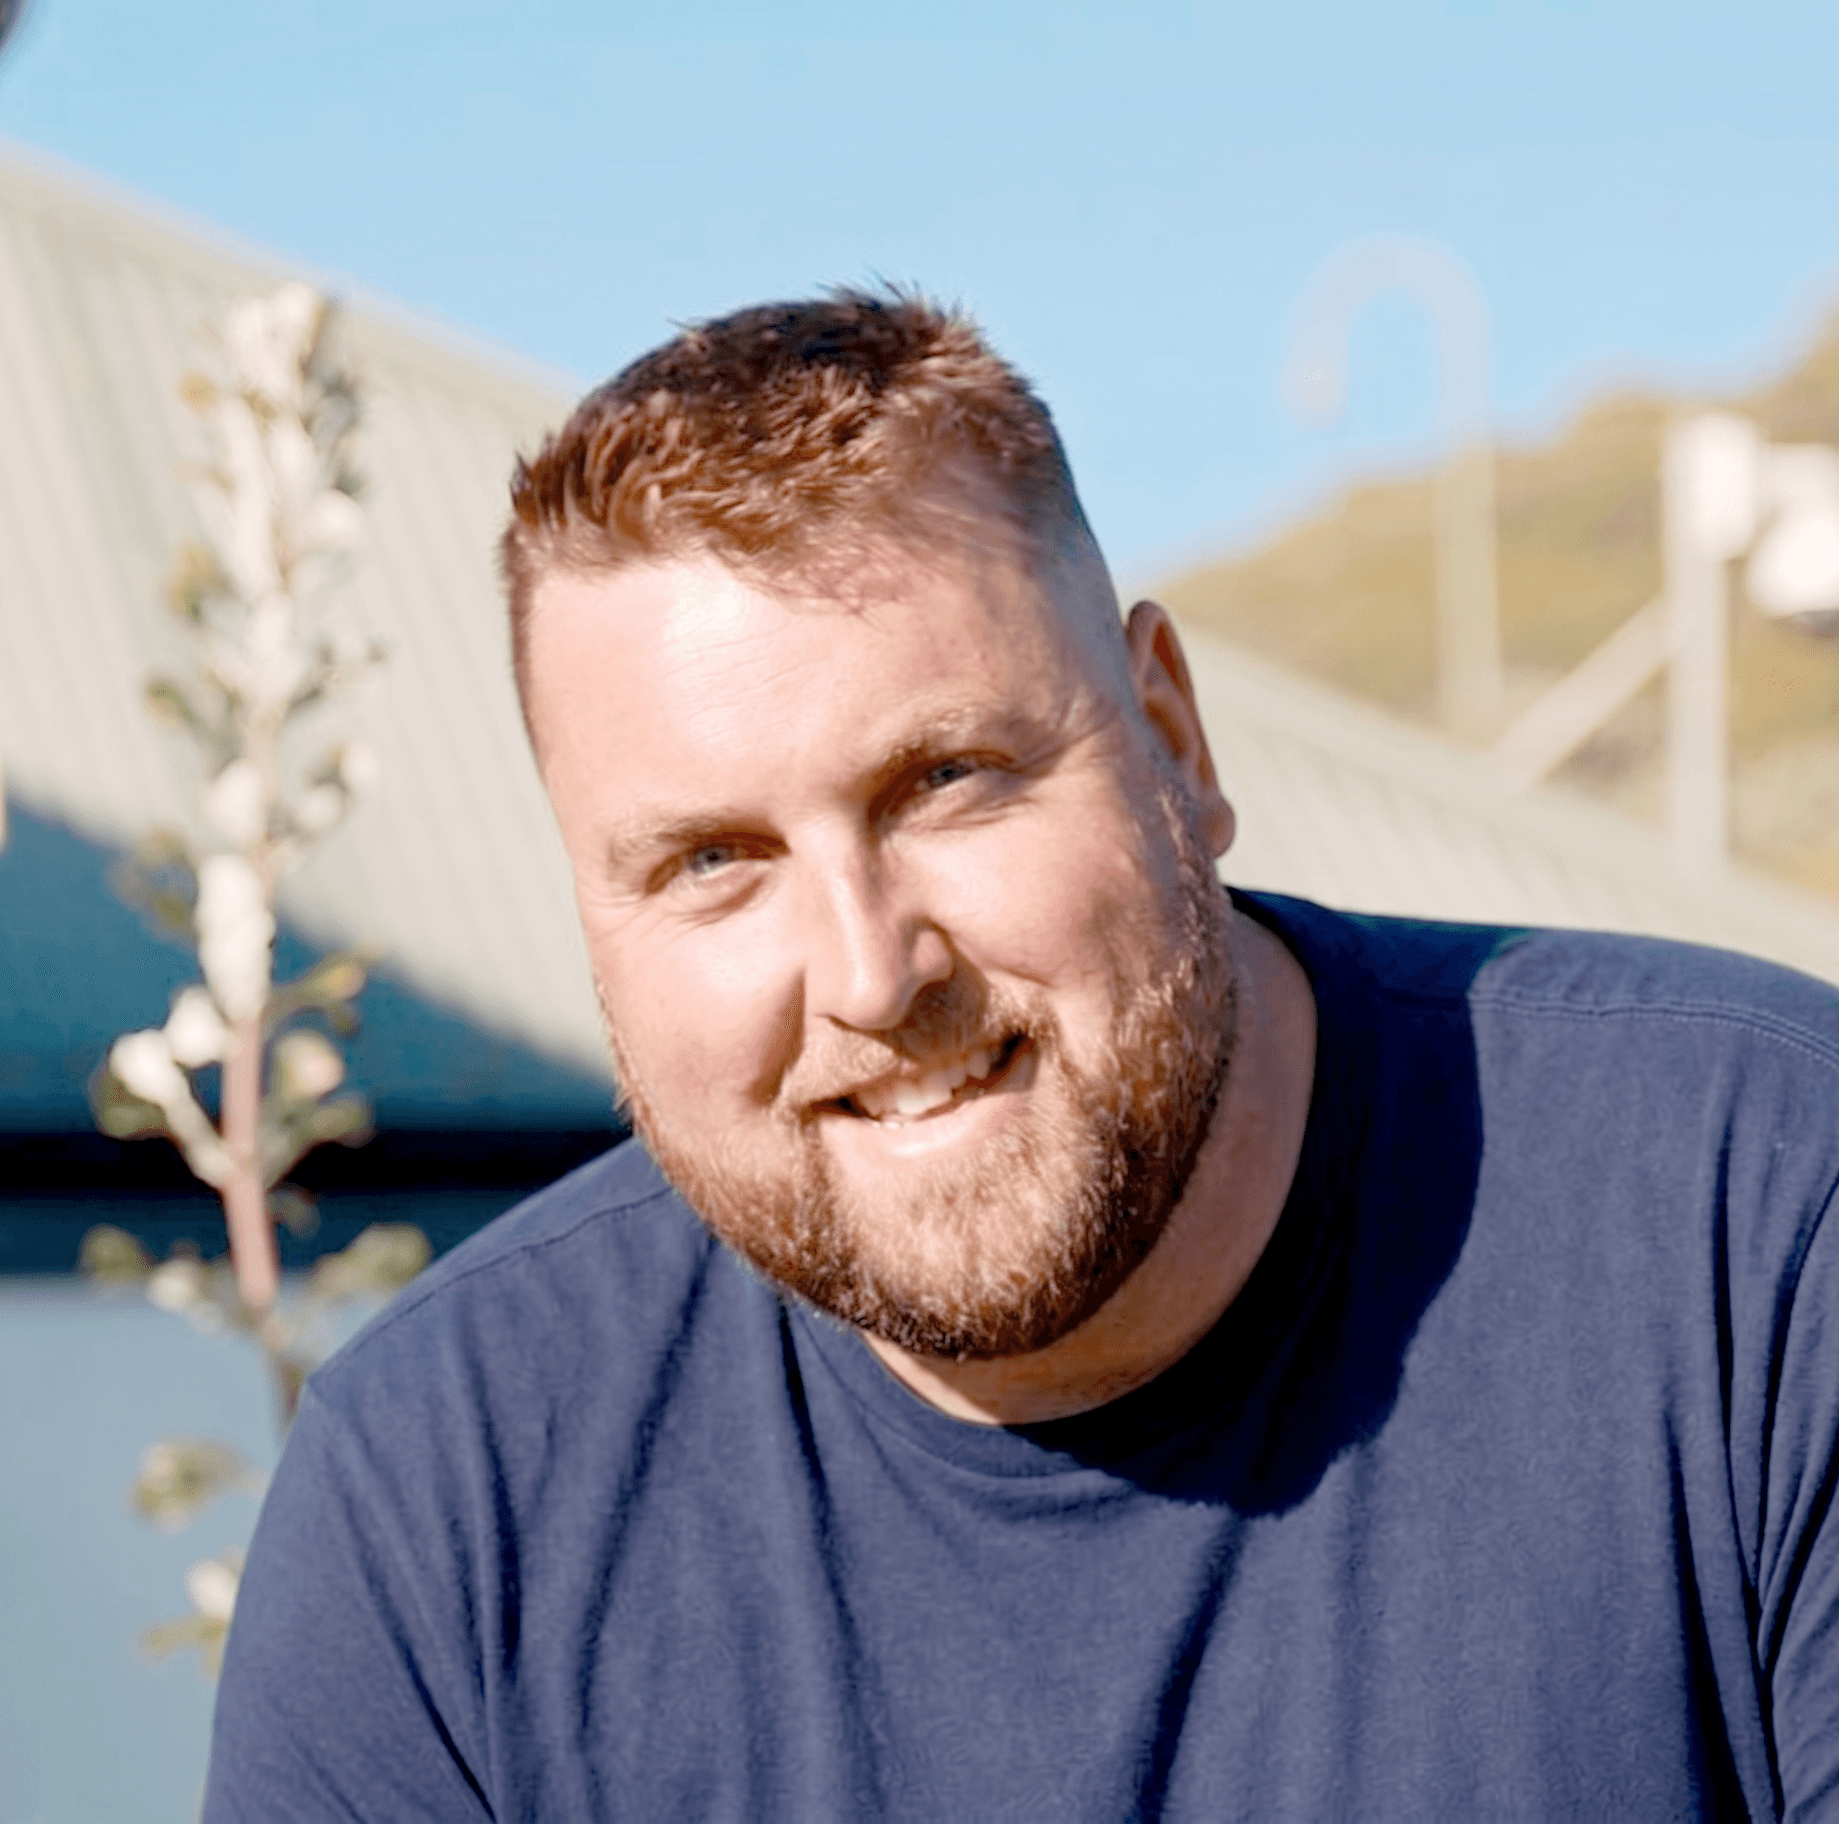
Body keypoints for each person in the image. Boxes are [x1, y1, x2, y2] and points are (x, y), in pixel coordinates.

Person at [205, 292, 1839, 1822]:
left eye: (944, 781)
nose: (870, 975)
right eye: (712, 861)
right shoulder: (446, 1501)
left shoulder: (1753, 1211)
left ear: (1172, 742)